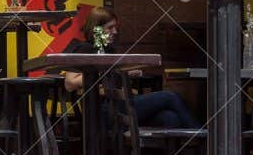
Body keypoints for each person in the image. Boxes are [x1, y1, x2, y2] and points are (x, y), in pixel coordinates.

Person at [63, 7, 198, 129]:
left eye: (115, 27)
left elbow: (111, 78)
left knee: (170, 118)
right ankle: (203, 139)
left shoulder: (109, 50)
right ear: (96, 29)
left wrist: (125, 73)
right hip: (104, 110)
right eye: (110, 28)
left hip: (119, 105)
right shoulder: (84, 49)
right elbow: (70, 83)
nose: (114, 32)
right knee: (170, 96)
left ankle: (180, 154)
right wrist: (107, 73)